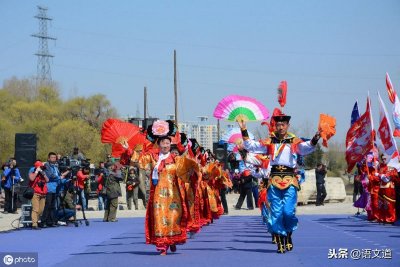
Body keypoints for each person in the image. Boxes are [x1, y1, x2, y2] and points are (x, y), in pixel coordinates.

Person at [239, 114, 320, 253]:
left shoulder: (293, 141)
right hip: (274, 180)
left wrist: (315, 138)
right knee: (276, 212)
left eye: (283, 125)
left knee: (288, 211)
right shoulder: (270, 141)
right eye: (278, 125)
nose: (280, 127)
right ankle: (280, 240)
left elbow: (306, 148)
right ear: (275, 126)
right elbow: (252, 146)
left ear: (287, 126)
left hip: (290, 180)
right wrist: (244, 130)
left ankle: (288, 235)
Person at [144, 120, 195, 256]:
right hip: (158, 196)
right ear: (158, 144)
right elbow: (139, 161)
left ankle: (172, 240)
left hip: (174, 195)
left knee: (173, 219)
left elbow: (187, 170)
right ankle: (162, 246)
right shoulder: (153, 158)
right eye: (163, 143)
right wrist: (127, 149)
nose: (165, 145)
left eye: (167, 143)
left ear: (170, 144)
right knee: (159, 218)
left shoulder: (176, 159)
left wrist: (191, 170)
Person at [43, 152, 69, 227]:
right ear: (48, 158)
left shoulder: (55, 166)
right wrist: (60, 177)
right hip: (49, 188)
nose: (54, 159)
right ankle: (43, 222)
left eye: (55, 157)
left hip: (55, 188)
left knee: (53, 206)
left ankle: (51, 222)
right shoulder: (47, 165)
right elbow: (50, 175)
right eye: (52, 157)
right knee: (47, 205)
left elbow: (58, 176)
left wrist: (66, 180)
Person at [28, 161, 49, 230]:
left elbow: (47, 180)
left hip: (43, 194)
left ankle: (35, 221)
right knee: (35, 209)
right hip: (35, 194)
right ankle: (34, 224)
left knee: (41, 210)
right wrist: (37, 171)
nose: (42, 169)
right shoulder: (32, 173)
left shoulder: (42, 174)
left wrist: (43, 173)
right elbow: (32, 179)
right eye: (41, 167)